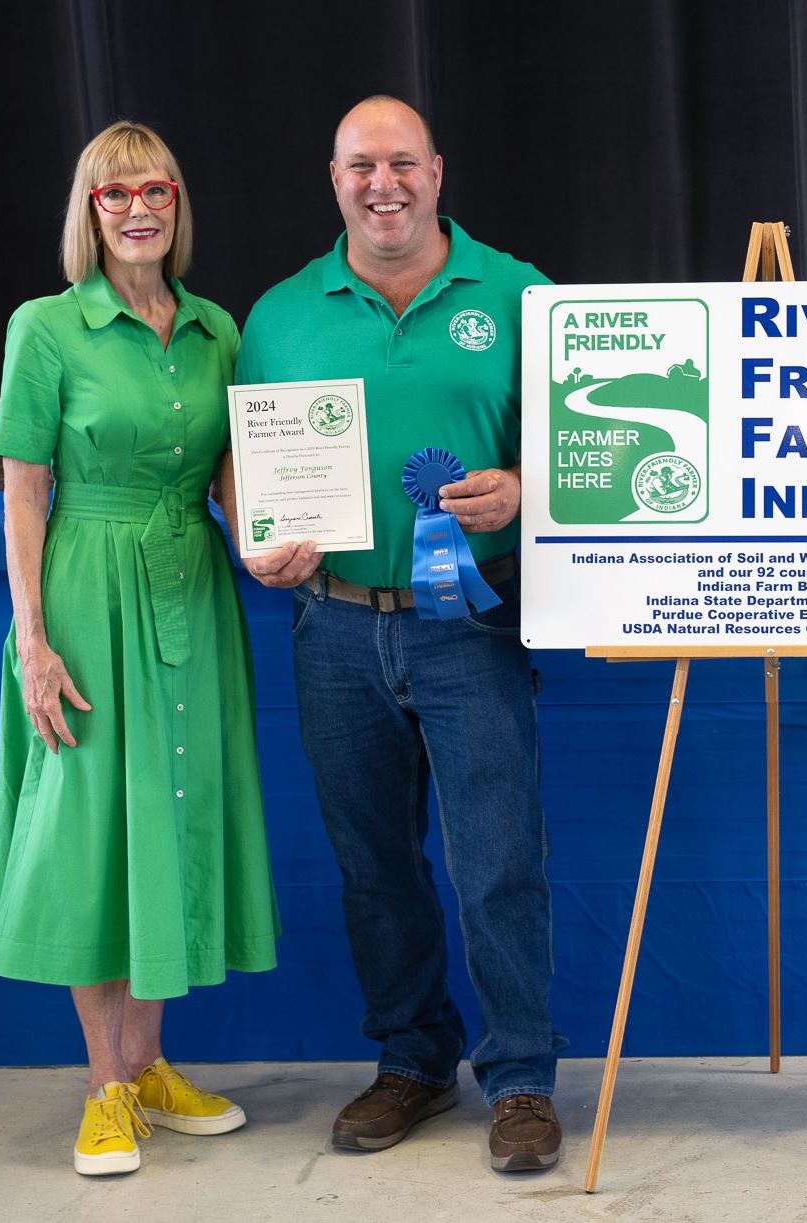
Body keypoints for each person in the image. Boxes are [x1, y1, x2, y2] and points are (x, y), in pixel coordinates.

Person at [221, 95, 565, 1173]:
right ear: (333, 179)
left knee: (498, 860)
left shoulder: (521, 293)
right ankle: (413, 1059)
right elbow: (238, 455)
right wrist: (250, 533)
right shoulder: (278, 314)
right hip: (332, 631)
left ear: (437, 171)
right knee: (373, 863)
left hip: (472, 623)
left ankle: (520, 1078)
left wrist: (527, 485)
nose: (384, 184)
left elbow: (588, 454)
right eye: (362, 165)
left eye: (402, 163)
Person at [0, 121, 280, 1177]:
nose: (140, 208)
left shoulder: (216, 328)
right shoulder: (46, 327)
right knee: (96, 827)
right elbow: (23, 490)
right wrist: (33, 639)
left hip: (191, 590)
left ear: (177, 203)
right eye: (116, 194)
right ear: (90, 210)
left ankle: (150, 1062)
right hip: (85, 591)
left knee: (173, 807)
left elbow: (234, 476)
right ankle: (105, 1086)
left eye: (157, 189)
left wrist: (264, 549)